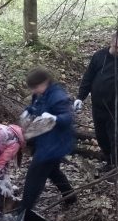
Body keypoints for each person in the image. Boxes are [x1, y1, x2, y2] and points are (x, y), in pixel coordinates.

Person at [20, 68, 76, 212]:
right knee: (53, 171)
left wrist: (55, 118)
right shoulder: (40, 94)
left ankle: (24, 211)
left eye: (36, 87)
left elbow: (68, 118)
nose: (34, 91)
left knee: (34, 177)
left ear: (45, 82)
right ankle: (71, 197)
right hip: (45, 141)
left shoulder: (58, 96)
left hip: (54, 144)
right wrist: (29, 110)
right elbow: (37, 107)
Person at [74, 30, 118, 172]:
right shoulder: (99, 56)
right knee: (101, 137)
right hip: (98, 106)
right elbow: (88, 77)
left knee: (116, 138)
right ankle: (109, 161)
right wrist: (81, 97)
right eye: (116, 47)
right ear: (111, 44)